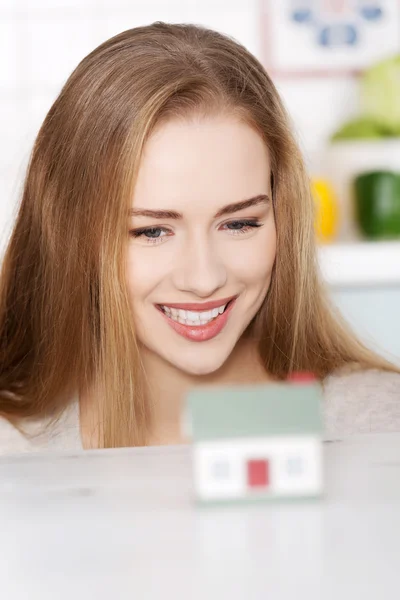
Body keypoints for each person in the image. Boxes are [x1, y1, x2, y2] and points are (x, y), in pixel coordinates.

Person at [0, 22, 399, 454]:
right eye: (151, 231)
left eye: (240, 223)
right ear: (69, 233)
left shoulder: (377, 424)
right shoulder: (15, 445)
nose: (204, 278)